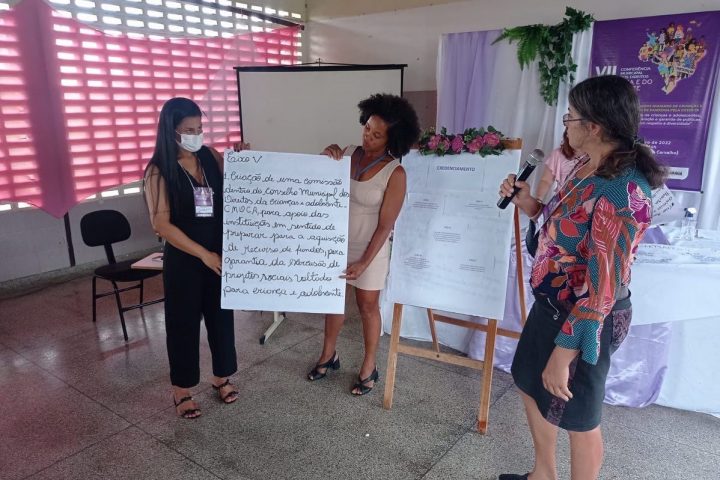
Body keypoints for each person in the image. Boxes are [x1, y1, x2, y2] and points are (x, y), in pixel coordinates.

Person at [497, 76, 665, 480]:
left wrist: (565, 351)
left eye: (569, 117)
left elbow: (604, 287)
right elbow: (564, 226)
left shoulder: (623, 191)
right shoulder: (586, 165)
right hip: (553, 305)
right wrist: (529, 203)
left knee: (579, 416)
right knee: (528, 381)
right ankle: (543, 474)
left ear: (594, 126)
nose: (565, 125)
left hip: (587, 317)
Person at [307, 94, 420, 396]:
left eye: (377, 134)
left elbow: (385, 226)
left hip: (371, 249)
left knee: (367, 307)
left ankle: (370, 365)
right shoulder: (345, 154)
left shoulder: (395, 173)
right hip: (336, 243)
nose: (368, 136)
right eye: (367, 128)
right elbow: (317, 187)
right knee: (332, 301)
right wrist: (323, 158)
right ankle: (328, 355)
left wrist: (363, 262)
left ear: (392, 139)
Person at [144, 97, 240, 419]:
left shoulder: (210, 156)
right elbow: (161, 225)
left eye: (199, 128)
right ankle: (181, 390)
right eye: (189, 130)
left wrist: (243, 160)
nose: (196, 135)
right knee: (183, 323)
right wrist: (203, 255)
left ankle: (221, 376)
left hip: (219, 254)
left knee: (221, 318)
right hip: (186, 258)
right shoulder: (159, 170)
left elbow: (240, 186)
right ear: (171, 131)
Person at [534, 129, 584, 201]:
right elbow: (546, 181)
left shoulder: (595, 156)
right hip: (562, 202)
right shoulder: (558, 154)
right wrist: (539, 199)